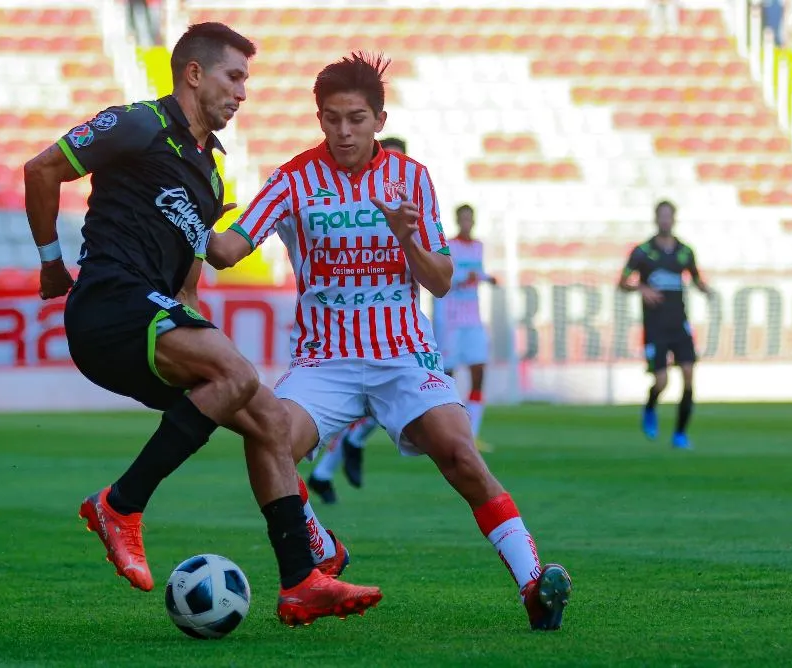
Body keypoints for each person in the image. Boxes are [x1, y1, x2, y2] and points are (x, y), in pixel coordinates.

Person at [22, 22, 381, 627]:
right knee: (237, 372)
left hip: (152, 315)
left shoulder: (212, 176)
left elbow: (186, 287)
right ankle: (120, 505)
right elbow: (41, 169)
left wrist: (204, 342)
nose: (243, 92)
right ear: (194, 73)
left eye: (247, 80)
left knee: (267, 416)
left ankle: (300, 581)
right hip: (109, 303)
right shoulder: (138, 123)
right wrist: (51, 264)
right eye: (234, 77)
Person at [208, 52, 572, 631]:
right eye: (331, 119)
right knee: (267, 440)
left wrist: (408, 241)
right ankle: (317, 547)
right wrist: (200, 212)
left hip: (403, 355)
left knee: (460, 453)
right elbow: (227, 252)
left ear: (379, 118)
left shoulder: (411, 178)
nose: (343, 131)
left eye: (355, 118)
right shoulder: (293, 178)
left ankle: (533, 582)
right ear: (319, 118)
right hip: (324, 360)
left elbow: (441, 279)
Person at [305, 136, 407, 504]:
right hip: (343, 329)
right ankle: (327, 464)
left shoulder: (412, 203)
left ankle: (325, 468)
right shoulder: (350, 206)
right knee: (365, 402)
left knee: (401, 398)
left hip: (400, 327)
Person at [618, 200, 712, 449]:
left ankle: (680, 434)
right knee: (662, 381)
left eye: (669, 216)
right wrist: (642, 287)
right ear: (656, 219)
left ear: (674, 219)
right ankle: (650, 407)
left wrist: (706, 289)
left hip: (679, 325)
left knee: (689, 375)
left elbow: (696, 278)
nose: (665, 220)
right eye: (661, 216)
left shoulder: (684, 251)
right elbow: (622, 281)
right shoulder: (643, 252)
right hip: (656, 327)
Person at [432, 204, 498, 452]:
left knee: (479, 372)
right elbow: (446, 276)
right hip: (451, 320)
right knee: (447, 378)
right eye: (463, 219)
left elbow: (477, 272)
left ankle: (472, 434)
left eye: (470, 218)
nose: (467, 223)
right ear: (458, 220)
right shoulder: (449, 246)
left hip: (473, 320)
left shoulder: (479, 246)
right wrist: (466, 278)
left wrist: (486, 278)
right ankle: (446, 431)